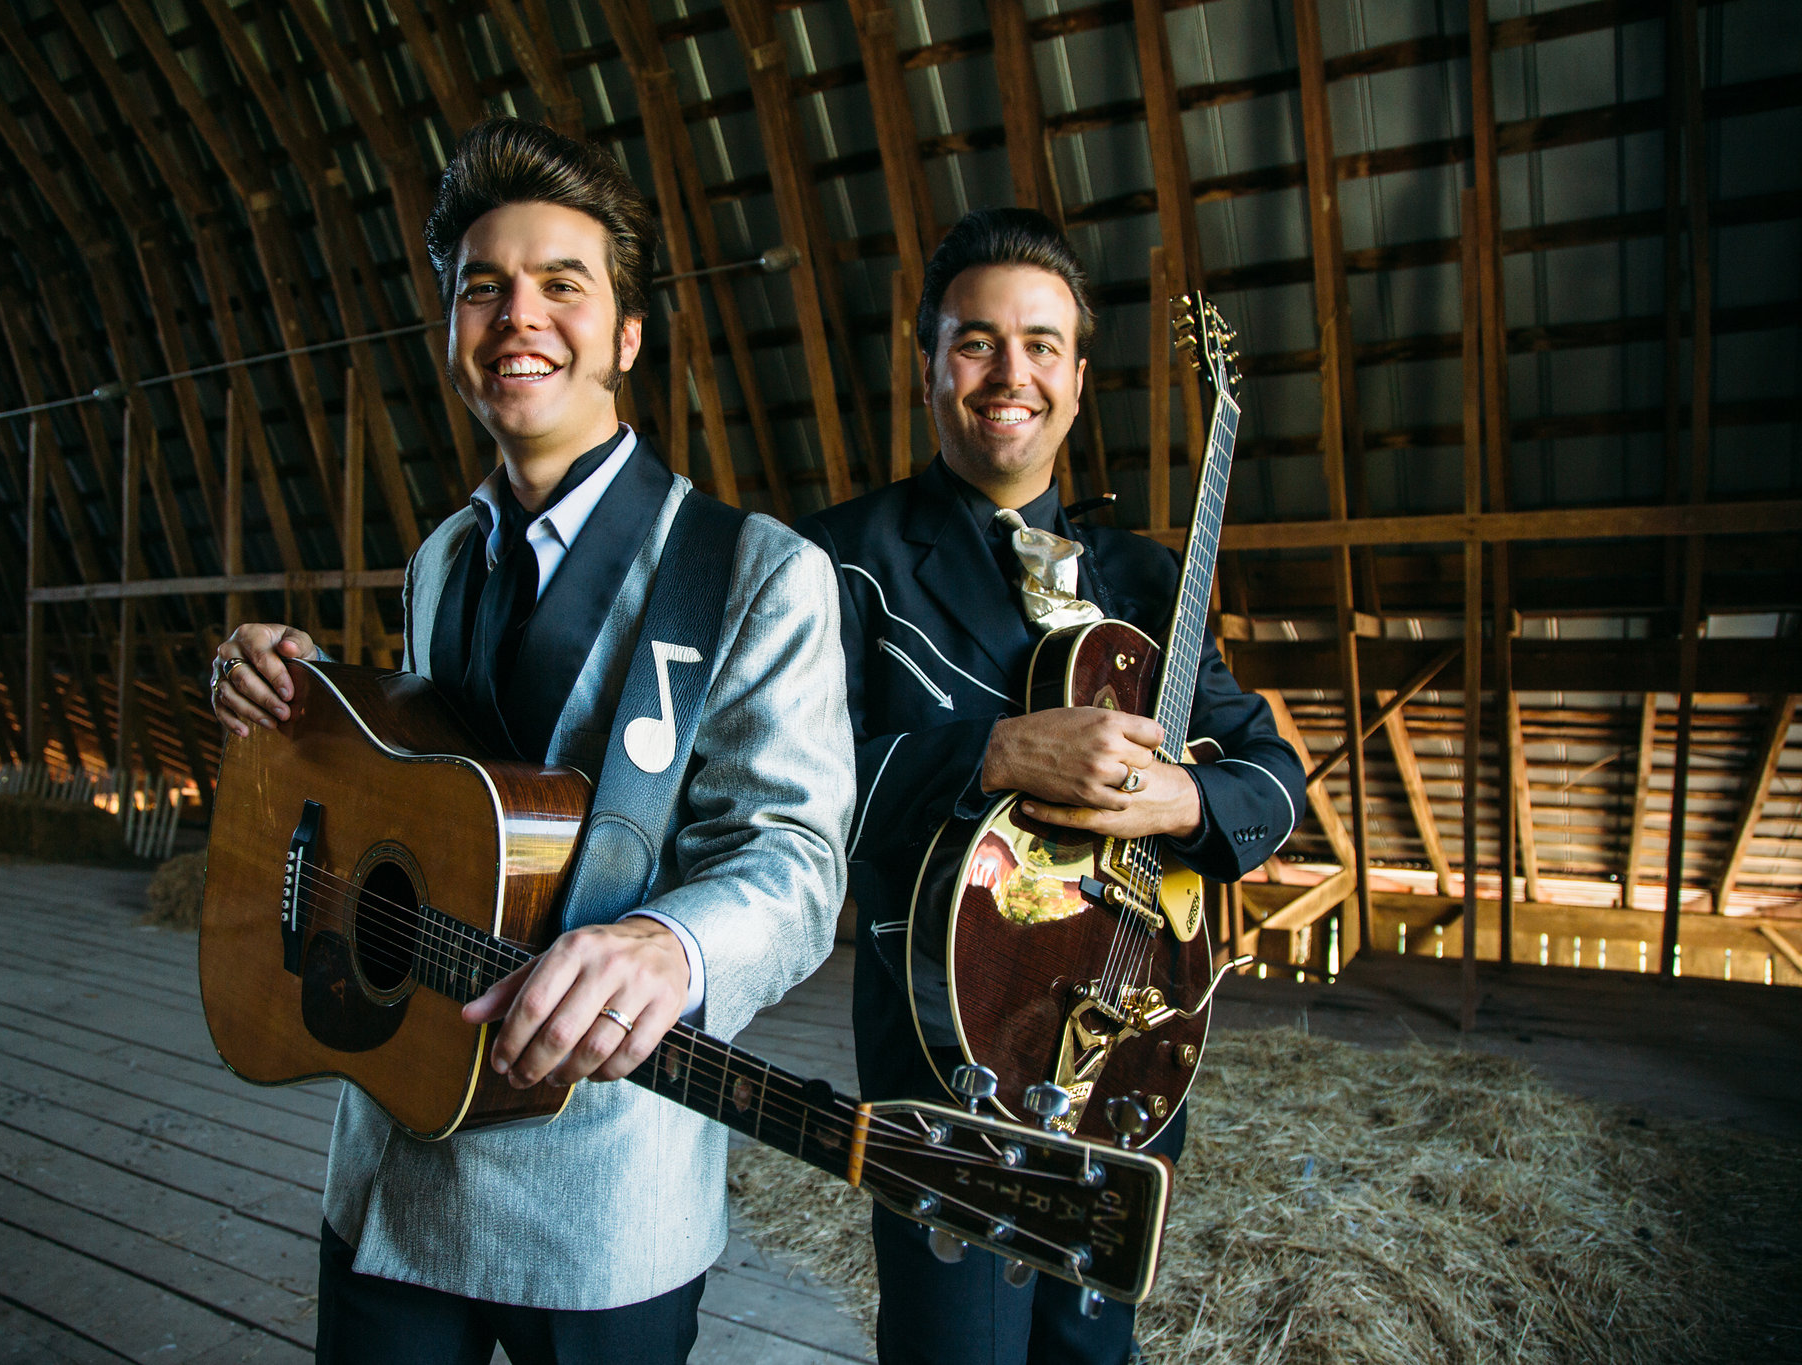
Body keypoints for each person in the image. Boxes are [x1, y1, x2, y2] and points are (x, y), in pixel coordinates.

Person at [209, 118, 852, 1365]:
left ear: (624, 335)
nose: (519, 316)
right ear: (450, 333)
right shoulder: (443, 556)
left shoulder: (755, 572)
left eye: (564, 284)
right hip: (394, 1154)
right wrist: (284, 697)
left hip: (604, 1196)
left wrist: (669, 946)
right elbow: (426, 775)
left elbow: (794, 861)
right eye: (482, 288)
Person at [798, 208, 1305, 1365]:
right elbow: (782, 795)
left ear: (1077, 379)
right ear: (928, 365)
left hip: (1131, 1042)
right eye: (974, 342)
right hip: (948, 1053)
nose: (1006, 373)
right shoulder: (834, 560)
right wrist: (993, 755)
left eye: (1039, 344)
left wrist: (1181, 802)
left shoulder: (1145, 580)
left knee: (1092, 1355)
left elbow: (1274, 782)